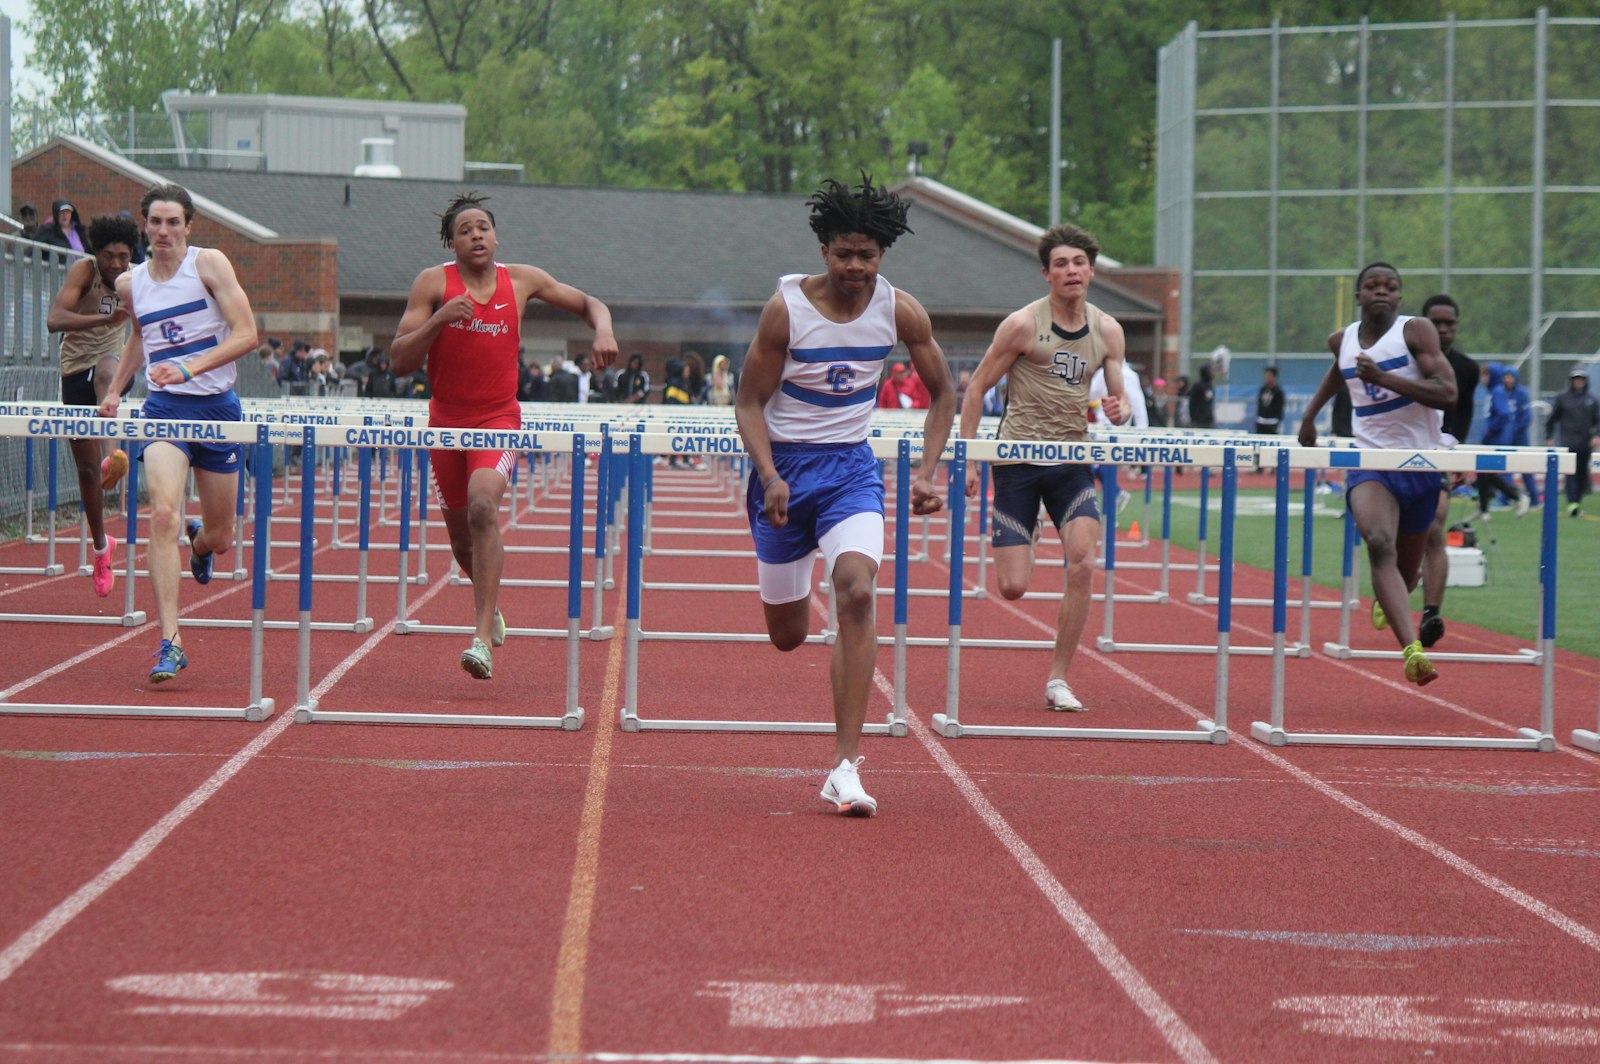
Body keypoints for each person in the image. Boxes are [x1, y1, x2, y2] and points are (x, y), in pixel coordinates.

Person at [735, 175, 953, 817]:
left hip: (851, 472)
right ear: (823, 252)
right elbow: (747, 400)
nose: (856, 267)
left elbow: (945, 395)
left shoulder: (900, 310)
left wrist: (926, 472)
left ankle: (844, 765)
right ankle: (791, 576)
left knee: (857, 591)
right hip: (783, 474)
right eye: (843, 254)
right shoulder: (787, 310)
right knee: (787, 634)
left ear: (882, 255)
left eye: (868, 255)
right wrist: (771, 475)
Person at [389, 192, 617, 679]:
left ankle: (478, 639)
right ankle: (489, 606)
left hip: (498, 419)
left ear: (496, 236)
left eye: (483, 227)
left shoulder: (522, 280)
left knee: (483, 506)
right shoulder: (432, 283)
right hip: (446, 424)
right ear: (451, 242)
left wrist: (603, 330)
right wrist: (438, 320)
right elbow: (399, 361)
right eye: (466, 229)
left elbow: (588, 303)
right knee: (460, 544)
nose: (477, 234)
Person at [960, 222, 1129, 714]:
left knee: (1084, 563)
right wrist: (970, 460)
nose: (1071, 271)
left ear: (1092, 271)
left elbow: (1118, 396)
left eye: (1079, 263)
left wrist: (1119, 409)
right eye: (1061, 264)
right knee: (1012, 588)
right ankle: (1028, 524)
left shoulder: (1107, 330)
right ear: (1047, 274)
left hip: (1071, 461)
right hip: (1016, 460)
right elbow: (975, 391)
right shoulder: (1021, 325)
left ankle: (1059, 679)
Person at [98, 183, 260, 683]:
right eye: (156, 222)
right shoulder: (131, 284)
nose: (164, 231)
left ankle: (202, 545)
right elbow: (141, 339)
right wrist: (117, 390)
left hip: (216, 409)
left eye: (173, 222)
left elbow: (247, 334)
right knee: (163, 512)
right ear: (145, 227)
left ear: (189, 226)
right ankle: (170, 641)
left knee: (223, 537)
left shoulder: (209, 265)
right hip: (164, 409)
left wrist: (190, 369)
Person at [1295, 262, 1455, 687]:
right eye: (1372, 286)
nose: (1381, 291)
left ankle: (1398, 592)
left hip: (1421, 465)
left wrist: (1385, 378)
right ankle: (1411, 651)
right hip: (1371, 463)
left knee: (1405, 568)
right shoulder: (1342, 340)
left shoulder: (1416, 331)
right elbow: (1339, 371)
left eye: (1390, 286)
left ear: (1400, 296)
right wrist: (1310, 416)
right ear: (1359, 295)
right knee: (1378, 542)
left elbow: (1448, 393)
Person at [47, 214, 139, 597]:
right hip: (73, 370)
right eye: (108, 256)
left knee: (106, 374)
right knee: (85, 473)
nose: (116, 264)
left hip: (112, 370)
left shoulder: (136, 278)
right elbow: (55, 320)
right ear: (95, 253)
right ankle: (102, 548)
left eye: (122, 256)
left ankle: (112, 455)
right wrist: (101, 321)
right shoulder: (83, 272)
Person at [1416, 294, 1480, 647]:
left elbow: (1462, 416)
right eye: (1435, 323)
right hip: (1398, 455)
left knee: (1434, 526)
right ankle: (1398, 583)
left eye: (1449, 323)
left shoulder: (1467, 369)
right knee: (1395, 539)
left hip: (1440, 455)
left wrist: (1458, 457)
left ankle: (1431, 613)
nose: (1442, 330)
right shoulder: (1403, 362)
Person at [1476, 363, 1532, 520]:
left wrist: (1491, 429)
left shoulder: (1497, 392)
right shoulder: (1491, 392)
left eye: (1486, 375)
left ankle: (1517, 497)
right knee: (1482, 471)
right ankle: (1484, 509)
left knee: (1487, 472)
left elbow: (1504, 414)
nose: (1483, 379)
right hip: (1489, 438)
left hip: (1495, 438)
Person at [1546, 368, 1599, 517]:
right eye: (1576, 380)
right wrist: (1549, 436)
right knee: (1571, 472)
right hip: (1568, 441)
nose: (1578, 382)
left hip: (1585, 441)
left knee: (1582, 473)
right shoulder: (1563, 398)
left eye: (1581, 380)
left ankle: (1577, 501)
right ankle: (1572, 503)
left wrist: (1597, 436)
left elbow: (1598, 420)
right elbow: (1552, 419)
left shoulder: (1592, 400)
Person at [1253, 365, 1285, 434]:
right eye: (1266, 376)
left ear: (1274, 377)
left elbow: (1280, 407)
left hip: (1273, 422)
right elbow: (1260, 405)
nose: (1267, 378)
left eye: (1269, 376)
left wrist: (1278, 420)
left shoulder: (1278, 391)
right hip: (1261, 421)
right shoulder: (1262, 389)